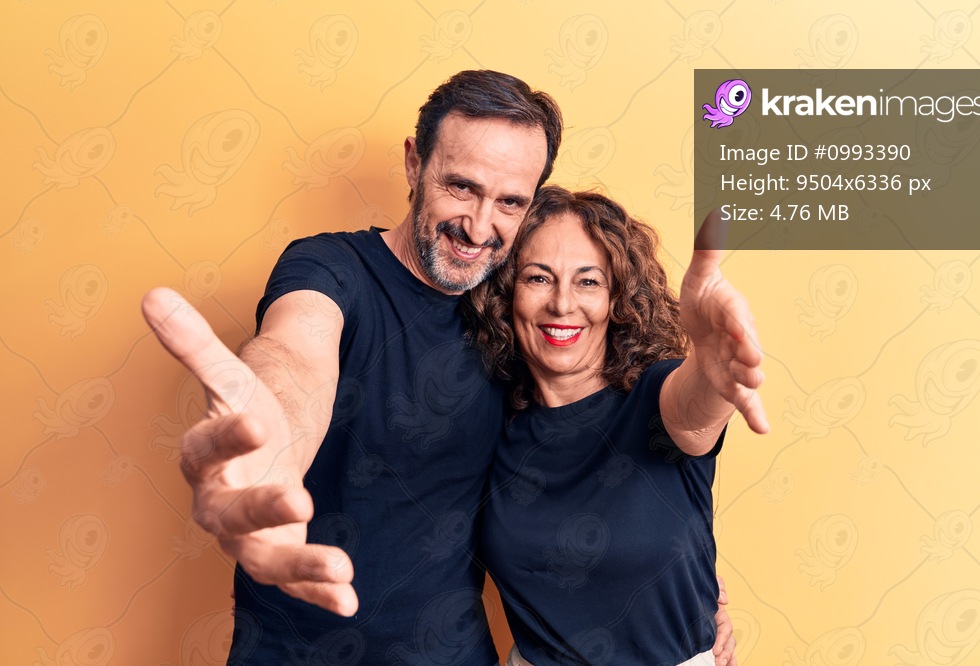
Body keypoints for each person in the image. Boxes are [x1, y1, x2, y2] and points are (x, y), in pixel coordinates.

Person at [142, 70, 738, 664]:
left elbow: (631, 451)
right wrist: (268, 451)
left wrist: (684, 602)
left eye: (509, 202)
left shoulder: (513, 334)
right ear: (413, 163)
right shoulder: (333, 269)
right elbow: (295, 354)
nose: (480, 226)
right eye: (461, 187)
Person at [464, 186, 767, 665]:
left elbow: (693, 407)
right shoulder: (490, 427)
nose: (562, 304)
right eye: (539, 278)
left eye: (588, 282)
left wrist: (712, 362)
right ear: (505, 293)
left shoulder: (653, 402)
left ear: (617, 300)